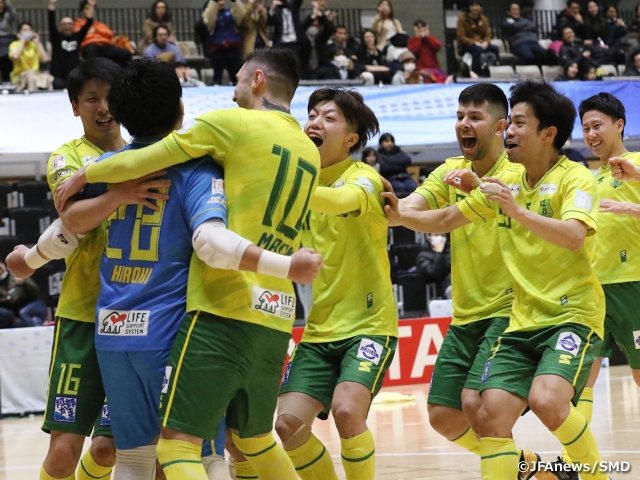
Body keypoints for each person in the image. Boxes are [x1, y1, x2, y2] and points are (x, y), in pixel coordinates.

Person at [54, 48, 321, 480]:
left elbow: (67, 223)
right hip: (208, 319)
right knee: (220, 450)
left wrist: (88, 179)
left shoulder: (110, 165)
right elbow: (210, 239)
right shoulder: (222, 164)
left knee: (138, 458)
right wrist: (286, 266)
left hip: (118, 327)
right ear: (180, 108)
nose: (232, 91)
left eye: (236, 79)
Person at [384, 80, 608, 480]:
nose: (511, 134)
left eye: (518, 124)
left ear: (546, 133)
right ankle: (538, 471)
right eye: (459, 116)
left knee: (546, 401)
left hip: (565, 312)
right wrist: (393, 212)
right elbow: (448, 218)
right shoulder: (500, 184)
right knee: (475, 414)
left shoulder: (571, 177)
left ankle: (593, 474)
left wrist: (512, 208)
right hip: (519, 318)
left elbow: (574, 236)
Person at [393, 83, 544, 480]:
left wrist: (396, 214)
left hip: (510, 310)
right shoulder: (448, 171)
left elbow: (441, 220)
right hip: (466, 315)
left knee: (480, 407)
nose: (464, 124)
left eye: (474, 117)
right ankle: (533, 468)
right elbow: (413, 206)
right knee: (444, 416)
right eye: (460, 116)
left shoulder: (516, 174)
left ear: (499, 127)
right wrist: (385, 205)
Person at [274, 87, 396, 480]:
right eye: (312, 114)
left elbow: (342, 201)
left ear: (351, 139)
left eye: (329, 118)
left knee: (347, 411)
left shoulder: (366, 179)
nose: (315, 121)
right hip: (317, 331)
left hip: (369, 327)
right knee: (287, 427)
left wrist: (287, 187)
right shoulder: (301, 180)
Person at [556, 92, 640, 467]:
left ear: (619, 125)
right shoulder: (591, 177)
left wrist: (630, 206)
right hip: (591, 290)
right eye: (586, 127)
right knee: (579, 379)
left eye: (597, 125)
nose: (591, 134)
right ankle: (573, 464)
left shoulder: (636, 163)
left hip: (633, 284)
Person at [48, 0, 95, 90]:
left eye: (70, 24)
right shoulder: (56, 37)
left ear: (73, 26)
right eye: (64, 24)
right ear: (60, 26)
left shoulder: (77, 37)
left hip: (74, 75)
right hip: (58, 76)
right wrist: (52, 4)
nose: (67, 26)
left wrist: (91, 6)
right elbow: (51, 22)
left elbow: (89, 22)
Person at [74, 0, 132, 67]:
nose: (90, 11)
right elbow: (80, 34)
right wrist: (98, 32)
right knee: (91, 52)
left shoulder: (99, 24)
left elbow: (109, 33)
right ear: (82, 10)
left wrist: (95, 30)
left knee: (125, 53)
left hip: (105, 46)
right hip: (89, 46)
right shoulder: (77, 23)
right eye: (87, 8)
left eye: (92, 9)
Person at [202, 0, 244, 85]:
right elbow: (208, 21)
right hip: (217, 47)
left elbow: (241, 15)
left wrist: (235, 1)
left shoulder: (230, 12)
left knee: (236, 75)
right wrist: (214, 2)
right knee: (217, 76)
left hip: (233, 46)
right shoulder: (210, 14)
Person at [456, 0, 499, 76]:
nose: (475, 8)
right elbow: (461, 37)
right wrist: (475, 43)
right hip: (466, 46)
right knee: (477, 50)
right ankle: (477, 73)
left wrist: (486, 42)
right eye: (473, 5)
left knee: (495, 48)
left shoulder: (484, 19)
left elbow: (487, 35)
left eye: (477, 5)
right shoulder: (462, 19)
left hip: (482, 44)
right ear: (469, 7)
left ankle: (495, 69)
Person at [268, 0, 309, 77]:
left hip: (295, 43)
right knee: (280, 67)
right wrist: (272, 8)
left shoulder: (293, 7)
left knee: (296, 66)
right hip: (281, 43)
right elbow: (269, 21)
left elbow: (298, 2)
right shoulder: (277, 10)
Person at [0, 0, 18, 83]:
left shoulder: (7, 15)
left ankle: (7, 82)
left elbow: (14, 13)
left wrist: (7, 2)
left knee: (6, 63)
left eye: (1, 3)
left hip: (7, 40)